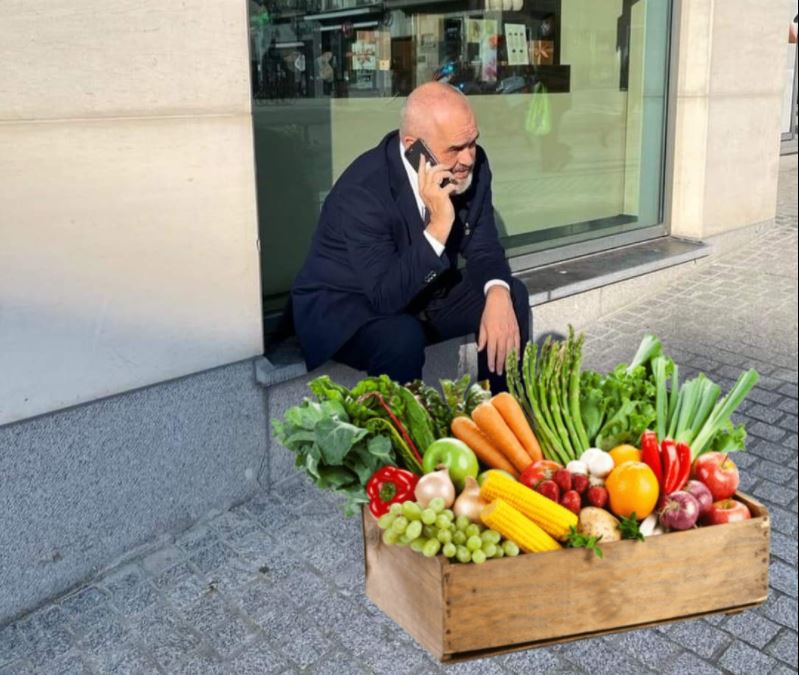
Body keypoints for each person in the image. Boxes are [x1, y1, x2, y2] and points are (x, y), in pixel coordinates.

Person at [291, 82, 530, 392]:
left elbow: (484, 246)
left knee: (509, 294)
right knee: (401, 337)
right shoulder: (363, 191)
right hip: (350, 304)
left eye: (472, 142)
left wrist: (497, 293)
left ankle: (499, 418)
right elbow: (385, 297)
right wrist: (439, 225)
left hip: (423, 291)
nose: (469, 158)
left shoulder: (472, 167)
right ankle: (402, 437)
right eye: (455, 148)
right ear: (414, 147)